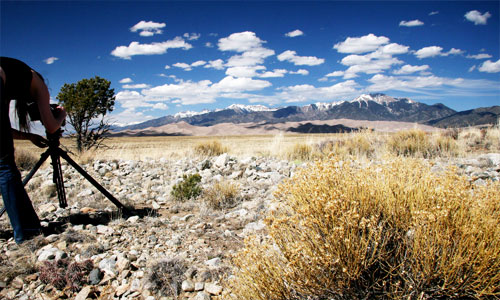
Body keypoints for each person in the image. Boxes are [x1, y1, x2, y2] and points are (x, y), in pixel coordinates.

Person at [0, 57, 67, 244]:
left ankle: (29, 228)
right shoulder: (37, 83)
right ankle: (27, 234)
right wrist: (62, 113)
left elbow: (3, 131)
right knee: (5, 168)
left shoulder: (7, 88)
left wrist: (29, 136)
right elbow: (52, 127)